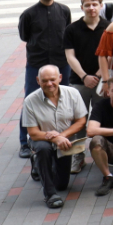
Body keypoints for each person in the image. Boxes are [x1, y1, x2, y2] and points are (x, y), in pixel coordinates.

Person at [18, 0, 71, 157]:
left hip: (61, 63)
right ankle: (24, 142)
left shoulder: (64, 10)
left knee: (63, 99)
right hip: (37, 64)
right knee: (30, 101)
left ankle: (63, 136)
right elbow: (24, 36)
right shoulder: (29, 14)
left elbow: (67, 32)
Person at [21, 65, 87, 208]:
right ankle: (50, 194)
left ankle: (38, 163)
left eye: (52, 79)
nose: (49, 84)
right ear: (38, 80)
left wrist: (61, 136)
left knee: (62, 185)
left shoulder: (73, 93)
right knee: (43, 149)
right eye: (44, 80)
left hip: (65, 139)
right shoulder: (30, 101)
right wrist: (54, 138)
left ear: (60, 78)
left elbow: (81, 121)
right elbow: (33, 133)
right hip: (41, 138)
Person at [64, 0, 108, 111]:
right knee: (78, 116)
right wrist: (84, 77)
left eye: (94, 4)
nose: (91, 8)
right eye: (87, 5)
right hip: (78, 80)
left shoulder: (109, 27)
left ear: (101, 6)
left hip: (103, 80)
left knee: (102, 116)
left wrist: (98, 75)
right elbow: (70, 56)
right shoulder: (71, 29)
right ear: (82, 7)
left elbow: (111, 55)